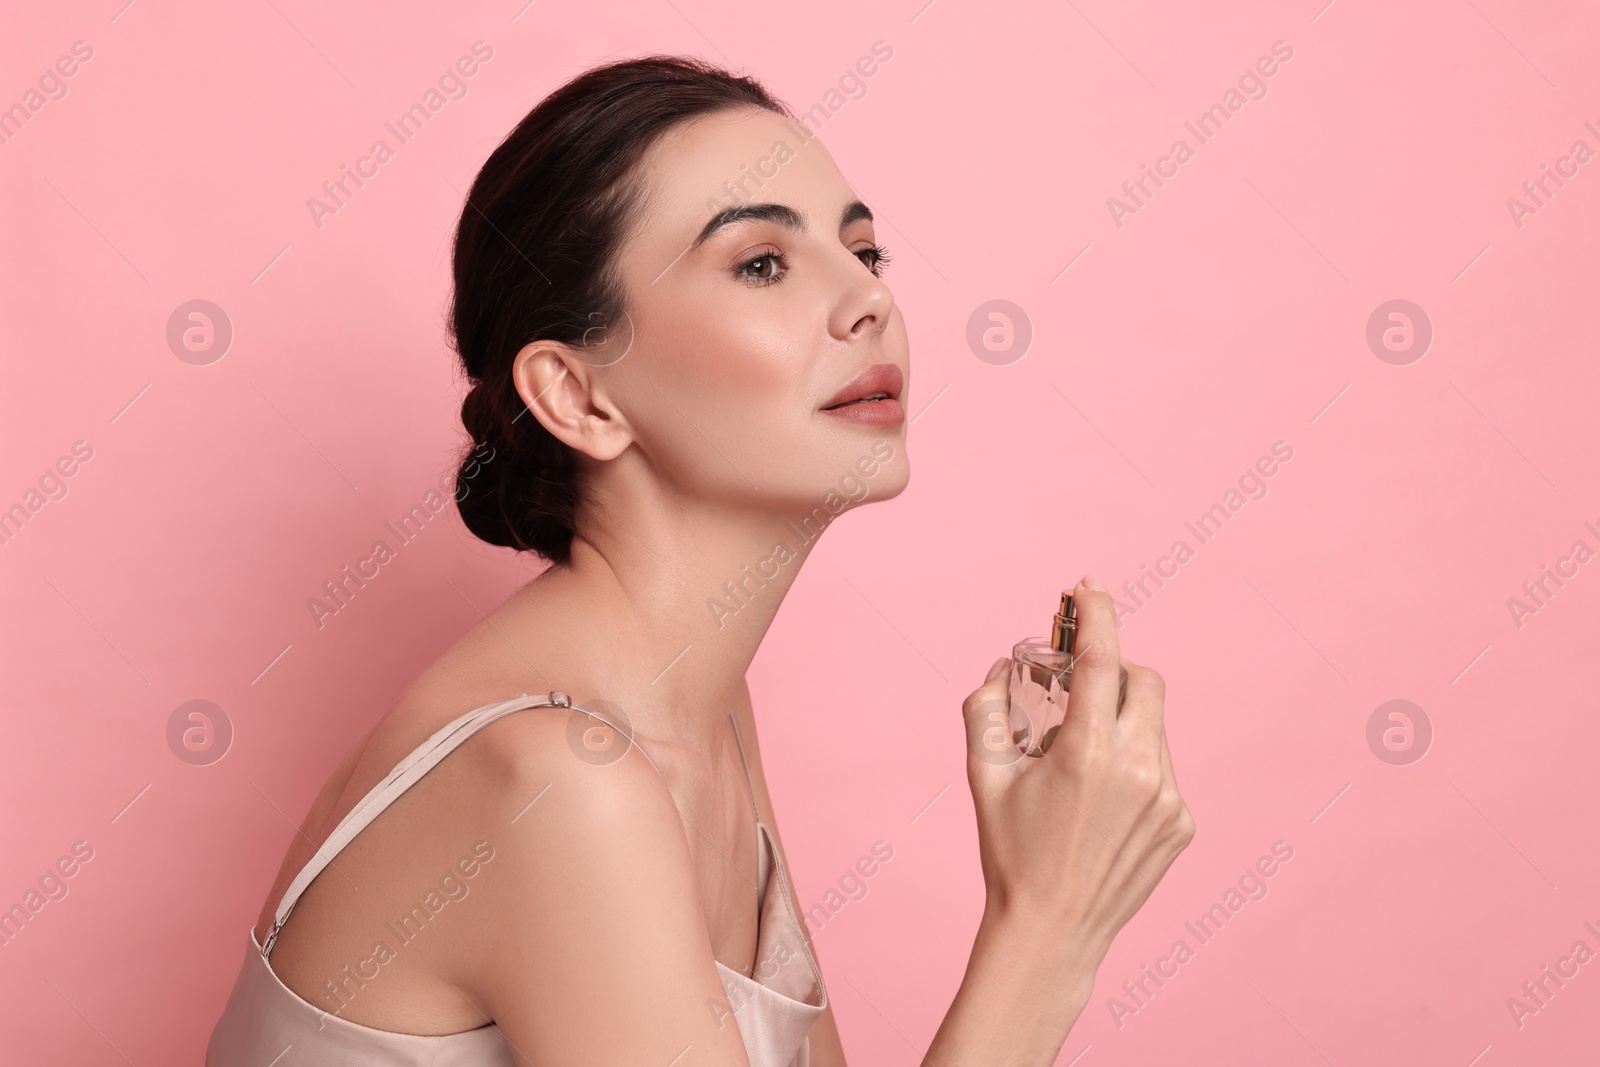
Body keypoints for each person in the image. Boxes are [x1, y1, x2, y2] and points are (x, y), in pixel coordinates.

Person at [206, 53, 1194, 1067]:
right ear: (579, 396)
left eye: (865, 252)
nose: (866, 302)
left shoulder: (698, 708)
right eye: (760, 262)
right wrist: (1049, 925)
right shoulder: (558, 779)